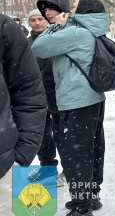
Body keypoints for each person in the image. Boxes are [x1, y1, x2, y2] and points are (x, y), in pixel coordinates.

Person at [32, 0, 108, 216]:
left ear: (84, 10)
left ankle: (81, 206)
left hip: (75, 101)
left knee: (76, 154)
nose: (70, 10)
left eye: (74, 6)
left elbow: (39, 47)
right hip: (91, 98)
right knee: (93, 149)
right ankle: (90, 196)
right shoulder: (88, 30)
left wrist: (55, 27)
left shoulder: (75, 32)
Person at [0, 14, 46, 216]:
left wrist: (21, 155)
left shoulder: (4, 27)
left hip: (5, 168)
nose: (37, 23)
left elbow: (29, 92)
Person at [27, 9, 65, 183]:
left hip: (58, 94)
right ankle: (48, 168)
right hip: (35, 97)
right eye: (33, 20)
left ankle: (69, 170)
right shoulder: (24, 44)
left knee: (61, 134)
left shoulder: (56, 40)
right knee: (41, 136)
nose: (37, 23)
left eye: (40, 19)